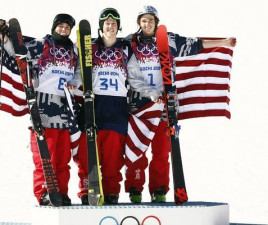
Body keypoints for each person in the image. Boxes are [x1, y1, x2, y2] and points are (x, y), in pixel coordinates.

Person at [125, 5, 236, 203]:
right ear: (138, 22)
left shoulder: (170, 40)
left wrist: (224, 42)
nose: (147, 23)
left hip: (165, 106)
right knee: (138, 149)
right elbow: (106, 46)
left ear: (156, 22)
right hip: (139, 105)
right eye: (144, 20)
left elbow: (197, 45)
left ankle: (158, 189)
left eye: (151, 19)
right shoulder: (129, 43)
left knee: (161, 150)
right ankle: (135, 188)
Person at [0, 14, 82, 206]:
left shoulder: (73, 51)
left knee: (62, 156)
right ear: (54, 27)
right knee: (45, 153)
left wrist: (75, 83)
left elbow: (78, 73)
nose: (64, 30)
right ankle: (44, 192)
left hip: (65, 105)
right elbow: (19, 53)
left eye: (67, 27)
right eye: (60, 26)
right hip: (43, 103)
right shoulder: (42, 44)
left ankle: (61, 192)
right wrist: (5, 39)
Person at [73, 8, 131, 205]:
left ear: (118, 27)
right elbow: (78, 67)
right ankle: (86, 189)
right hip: (93, 102)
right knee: (87, 151)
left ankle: (111, 191)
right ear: (101, 26)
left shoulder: (126, 48)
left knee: (113, 155)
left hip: (117, 104)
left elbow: (138, 72)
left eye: (114, 23)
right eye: (107, 23)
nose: (110, 26)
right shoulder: (90, 47)